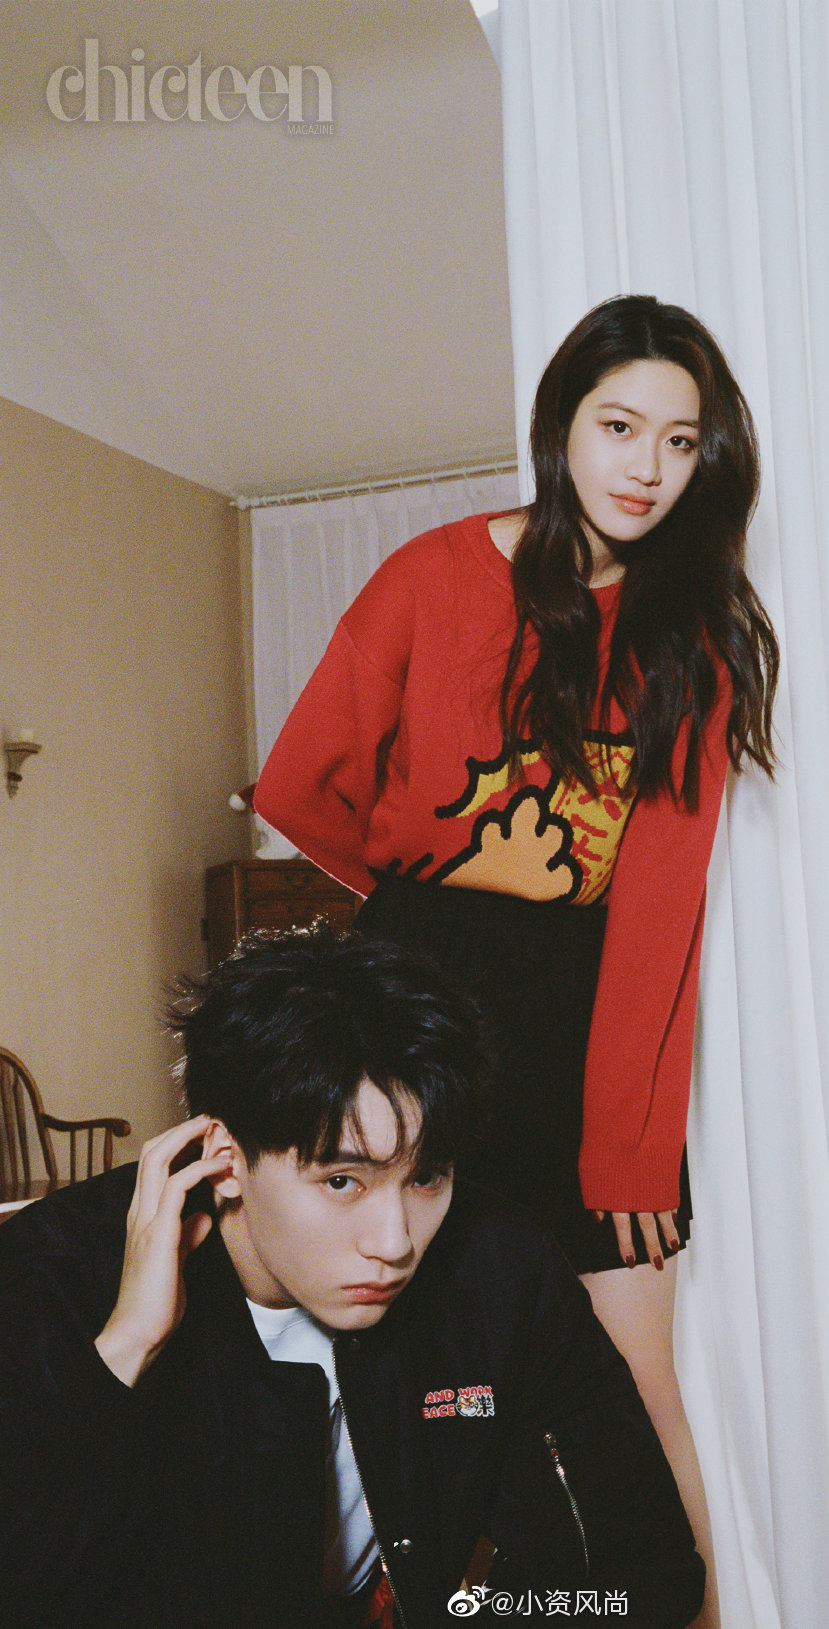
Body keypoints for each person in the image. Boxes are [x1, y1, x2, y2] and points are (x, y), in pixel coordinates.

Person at [254, 294, 780, 1625]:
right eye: (619, 426)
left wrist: (632, 1153)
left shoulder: (688, 635)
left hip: (578, 1016)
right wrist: (421, 896)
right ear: (561, 428)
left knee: (629, 1369)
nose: (646, 467)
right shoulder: (429, 580)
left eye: (680, 441)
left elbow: (657, 913)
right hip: (412, 1007)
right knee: (399, 1362)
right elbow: (301, 785)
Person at [0, 924, 705, 1629]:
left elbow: (647, 1576)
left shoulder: (501, 1267)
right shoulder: (53, 1274)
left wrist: (472, 1615)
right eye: (342, 1180)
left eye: (426, 1177)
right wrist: (125, 1351)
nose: (394, 1242)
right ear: (225, 1156)